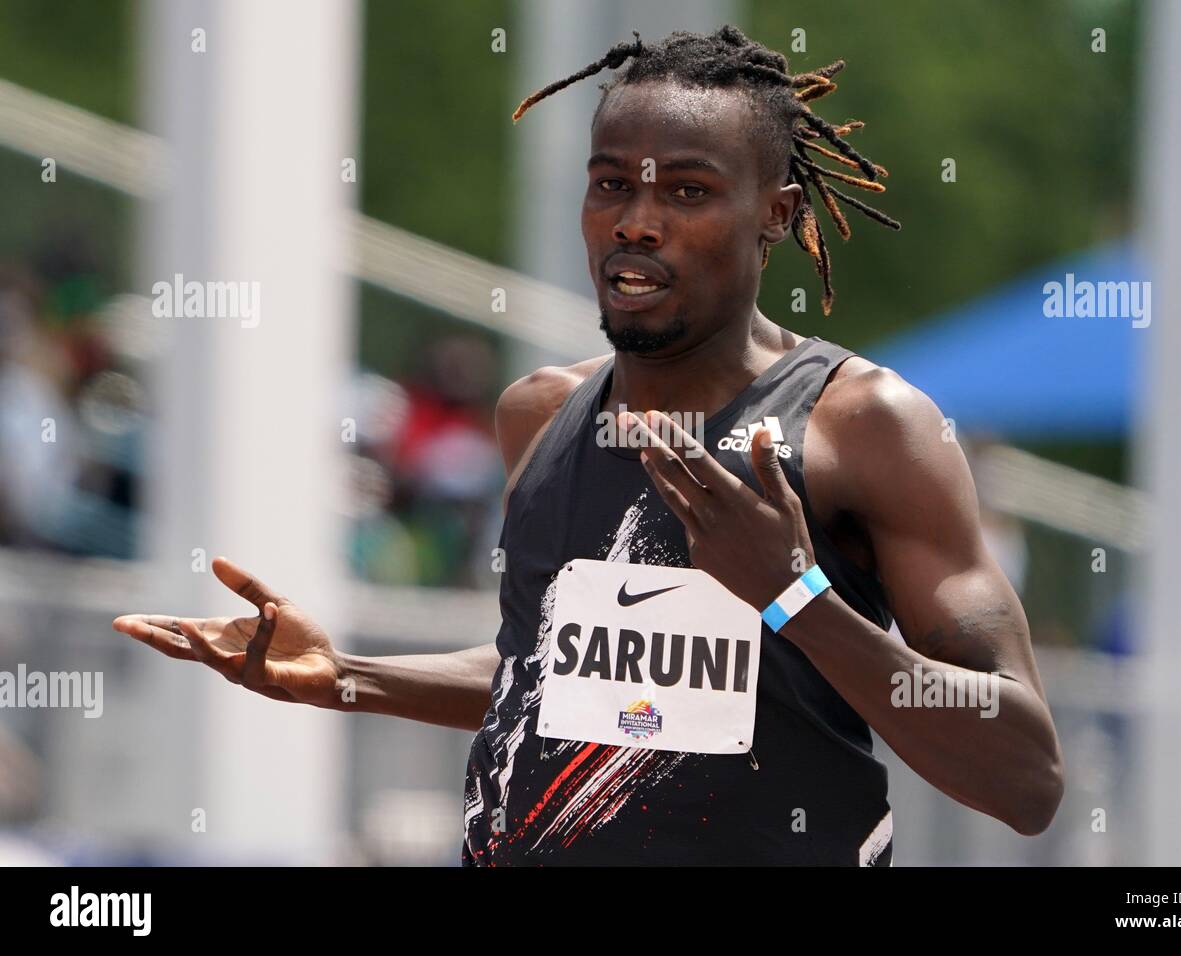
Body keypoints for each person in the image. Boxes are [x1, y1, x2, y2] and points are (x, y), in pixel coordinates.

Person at [114, 25, 1063, 866]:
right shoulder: (539, 412)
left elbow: (1026, 776)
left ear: (776, 212)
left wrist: (795, 599)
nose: (637, 222)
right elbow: (556, 676)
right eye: (611, 184)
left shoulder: (868, 426)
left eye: (689, 191)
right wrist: (349, 679)